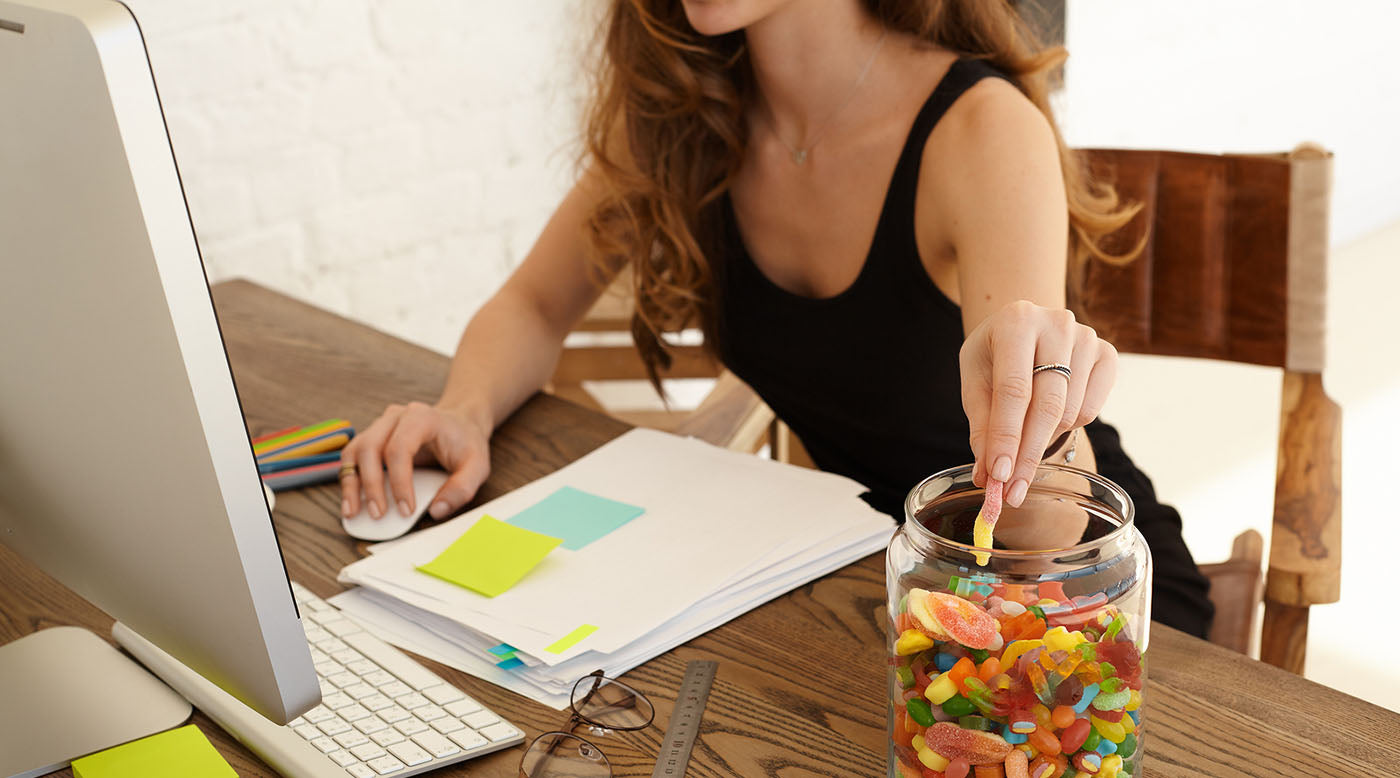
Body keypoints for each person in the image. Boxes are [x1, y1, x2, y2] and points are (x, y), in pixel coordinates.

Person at [337, 0, 1214, 637]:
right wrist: (462, 409)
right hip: (874, 586)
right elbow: (533, 302)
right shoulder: (686, 121)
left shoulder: (981, 130)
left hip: (1081, 603)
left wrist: (1035, 421)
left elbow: (1049, 531)